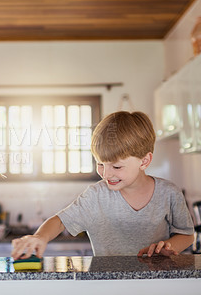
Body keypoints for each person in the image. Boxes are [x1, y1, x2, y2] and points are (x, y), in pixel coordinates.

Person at [11, 111, 194, 259]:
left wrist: (169, 246)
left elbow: (187, 235)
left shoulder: (169, 193)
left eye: (116, 166)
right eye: (100, 164)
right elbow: (59, 222)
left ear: (144, 161)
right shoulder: (96, 195)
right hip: (108, 286)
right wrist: (39, 237)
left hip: (157, 285)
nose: (106, 174)